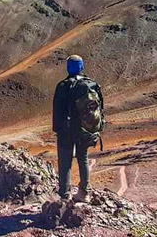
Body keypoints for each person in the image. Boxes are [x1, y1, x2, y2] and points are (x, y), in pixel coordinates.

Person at [52, 55, 104, 202]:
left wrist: (58, 130)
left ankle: (65, 194)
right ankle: (84, 192)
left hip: (67, 131)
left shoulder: (63, 86)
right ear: (82, 67)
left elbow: (57, 110)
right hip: (86, 131)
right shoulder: (91, 84)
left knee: (65, 161)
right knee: (83, 159)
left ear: (68, 67)